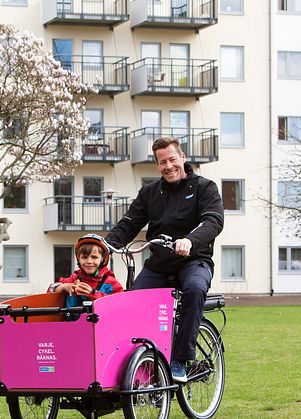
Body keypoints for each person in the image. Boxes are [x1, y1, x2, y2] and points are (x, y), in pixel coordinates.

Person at [105, 137, 224, 383]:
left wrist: (190, 240)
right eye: (162, 162)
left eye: (172, 159)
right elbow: (129, 224)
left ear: (183, 157)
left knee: (195, 288)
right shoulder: (150, 193)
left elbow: (213, 220)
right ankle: (139, 364)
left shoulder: (204, 187)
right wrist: (103, 246)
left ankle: (180, 360)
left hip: (193, 260)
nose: (168, 166)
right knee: (133, 301)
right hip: (159, 264)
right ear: (157, 165)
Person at [48, 234, 123, 307]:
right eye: (84, 257)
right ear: (79, 259)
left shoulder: (110, 282)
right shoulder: (74, 279)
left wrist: (92, 293)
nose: (89, 261)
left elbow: (120, 303)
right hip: (73, 319)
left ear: (102, 259)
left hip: (102, 319)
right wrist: (63, 287)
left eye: (94, 257)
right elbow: (50, 290)